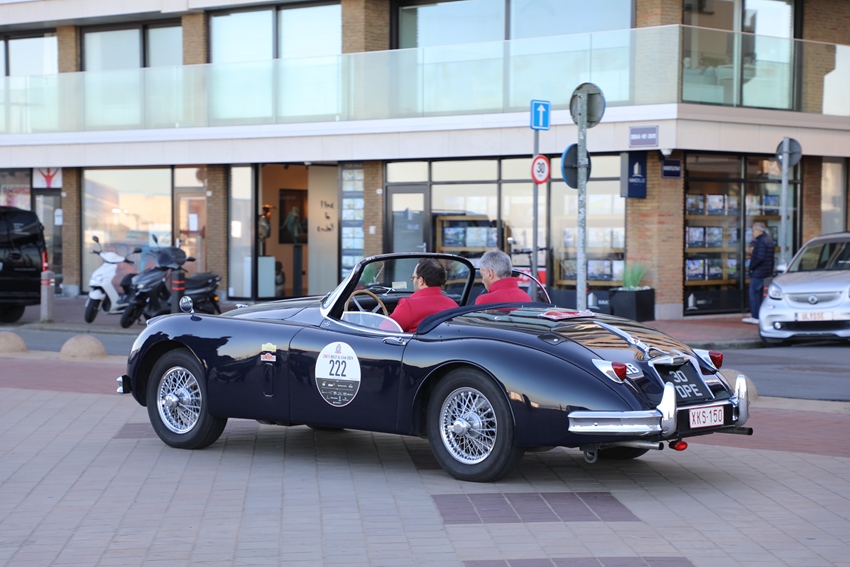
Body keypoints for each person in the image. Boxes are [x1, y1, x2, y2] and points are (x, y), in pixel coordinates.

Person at [390, 258, 458, 332]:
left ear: (421, 281)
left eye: (413, 278)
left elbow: (385, 330)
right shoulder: (453, 305)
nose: (413, 281)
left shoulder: (408, 306)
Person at [743, 221, 775, 324]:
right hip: (766, 272)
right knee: (761, 295)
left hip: (759, 272)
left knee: (754, 294)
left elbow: (760, 258)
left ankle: (755, 316)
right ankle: (760, 315)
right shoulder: (769, 240)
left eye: (753, 230)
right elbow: (771, 259)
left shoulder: (761, 241)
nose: (752, 233)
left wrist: (751, 267)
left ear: (758, 230)